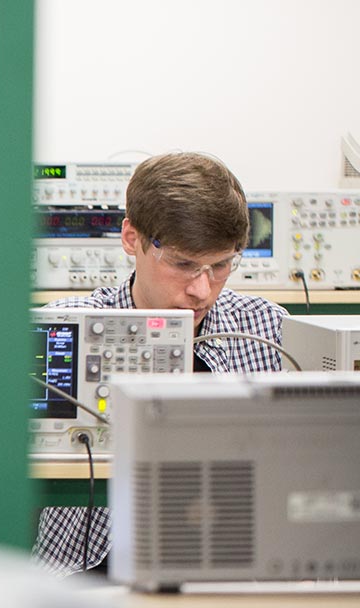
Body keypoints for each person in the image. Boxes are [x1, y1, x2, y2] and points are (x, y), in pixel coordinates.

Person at [37, 151, 288, 573]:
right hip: (90, 568)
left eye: (221, 265)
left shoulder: (267, 329)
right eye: (183, 264)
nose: (202, 291)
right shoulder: (65, 326)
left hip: (231, 565)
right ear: (131, 238)